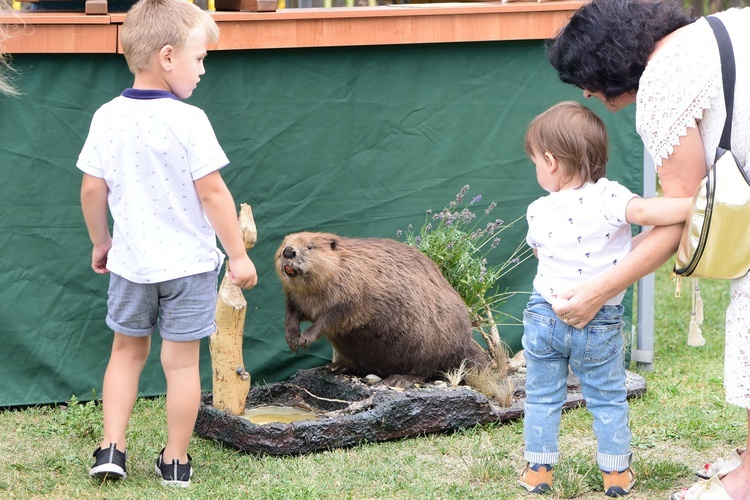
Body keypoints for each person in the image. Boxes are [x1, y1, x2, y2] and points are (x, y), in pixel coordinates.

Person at [546, 1, 750, 498]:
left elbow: (687, 211)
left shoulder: (665, 80)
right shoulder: (726, 24)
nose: (590, 94)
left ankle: (745, 483)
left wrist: (598, 287)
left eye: (585, 82)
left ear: (607, 64)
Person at [78, 0, 258, 487]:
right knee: (181, 365)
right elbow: (213, 192)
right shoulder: (190, 120)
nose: (202, 69)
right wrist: (237, 255)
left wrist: (102, 242)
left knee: (125, 354)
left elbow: (92, 189)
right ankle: (176, 461)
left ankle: (111, 449)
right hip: (189, 266)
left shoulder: (106, 118)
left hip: (131, 262)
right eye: (199, 58)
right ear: (167, 57)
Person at [518, 101, 691, 497]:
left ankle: (538, 471)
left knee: (542, 395)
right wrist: (700, 203)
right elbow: (647, 211)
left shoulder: (537, 209)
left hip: (545, 314)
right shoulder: (608, 195)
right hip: (599, 321)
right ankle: (615, 475)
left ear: (550, 162)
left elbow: (542, 256)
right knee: (607, 397)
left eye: (535, 162)